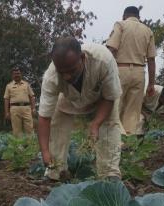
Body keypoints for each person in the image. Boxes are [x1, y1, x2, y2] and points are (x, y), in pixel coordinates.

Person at [38, 36, 122, 181]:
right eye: (61, 72)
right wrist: (45, 152)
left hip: (101, 98)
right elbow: (44, 117)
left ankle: (109, 173)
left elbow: (109, 97)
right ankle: (55, 171)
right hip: (68, 98)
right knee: (57, 123)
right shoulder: (51, 77)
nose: (67, 76)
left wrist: (96, 124)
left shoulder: (103, 60)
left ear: (82, 58)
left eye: (71, 70)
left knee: (109, 125)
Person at [106, 6, 157, 135]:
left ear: (124, 16)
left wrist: (104, 73)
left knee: (114, 109)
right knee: (132, 113)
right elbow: (151, 60)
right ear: (139, 18)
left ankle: (114, 142)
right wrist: (151, 84)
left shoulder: (121, 25)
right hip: (140, 73)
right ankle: (128, 143)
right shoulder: (148, 31)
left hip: (120, 70)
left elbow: (111, 49)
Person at [4, 68, 36, 137]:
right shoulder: (9, 86)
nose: (17, 75)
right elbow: (6, 99)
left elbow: (32, 96)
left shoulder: (26, 84)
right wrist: (6, 112)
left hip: (26, 108)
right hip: (14, 109)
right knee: (16, 130)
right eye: (15, 74)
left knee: (29, 128)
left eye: (18, 73)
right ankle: (19, 147)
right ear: (12, 75)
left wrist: (33, 108)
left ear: (21, 74)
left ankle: (30, 146)